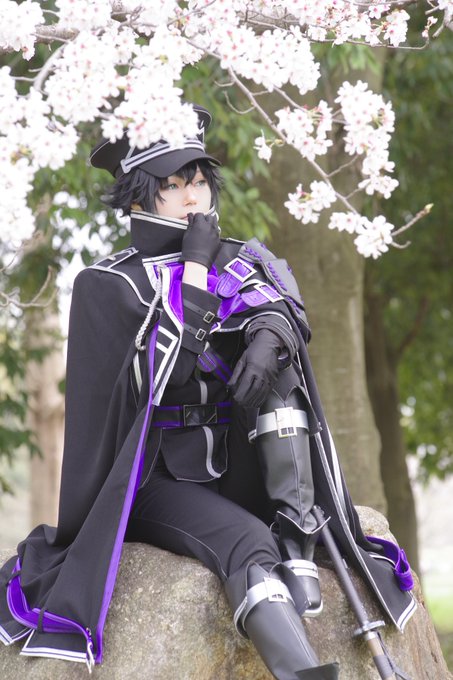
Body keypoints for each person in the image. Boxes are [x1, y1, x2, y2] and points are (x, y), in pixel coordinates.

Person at [0, 105, 416, 679]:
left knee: (283, 374)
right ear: (138, 200)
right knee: (246, 542)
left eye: (197, 180)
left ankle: (298, 536)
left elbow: (284, 306)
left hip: (234, 465)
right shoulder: (107, 284)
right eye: (173, 186)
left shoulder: (237, 259)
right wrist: (194, 269)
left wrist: (269, 335)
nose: (192, 197)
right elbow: (166, 376)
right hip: (151, 481)